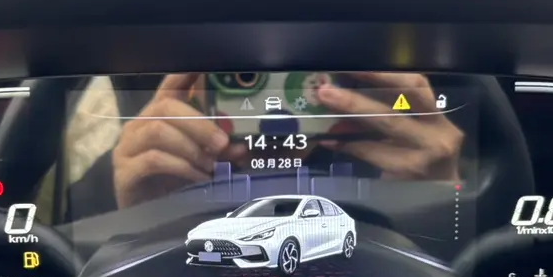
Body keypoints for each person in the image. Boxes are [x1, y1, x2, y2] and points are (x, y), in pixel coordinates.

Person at [89, 71, 465, 213]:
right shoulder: (142, 164)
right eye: (243, 74)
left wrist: (434, 210)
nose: (276, 114)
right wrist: (143, 221)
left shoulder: (409, 154)